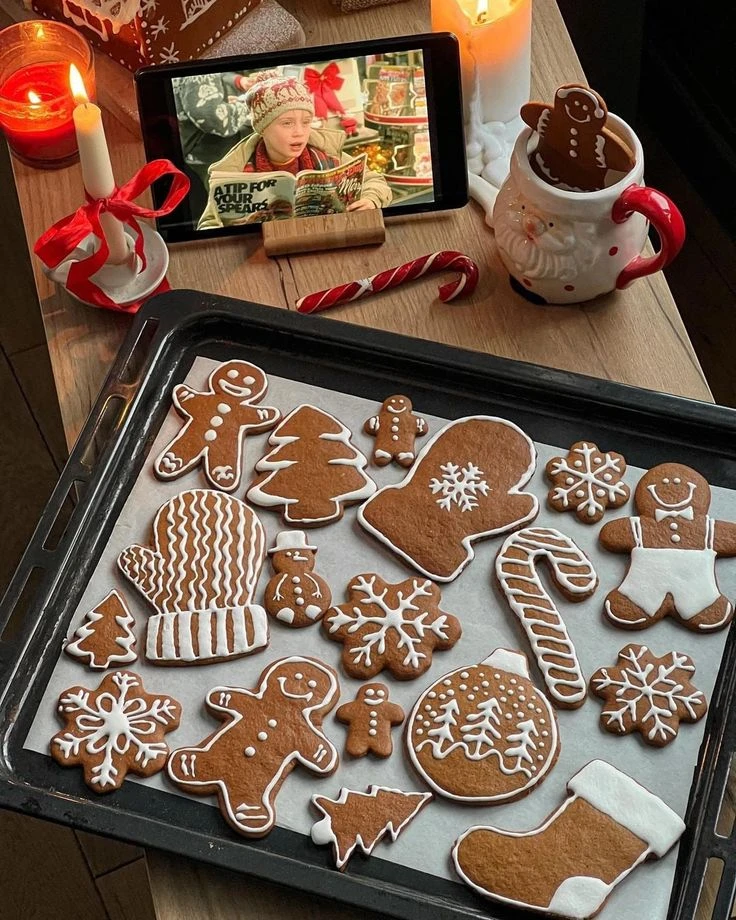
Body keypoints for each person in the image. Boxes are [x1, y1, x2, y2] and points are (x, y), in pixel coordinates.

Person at [197, 76, 391, 229]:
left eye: (306, 122)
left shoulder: (328, 154)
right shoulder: (233, 171)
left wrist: (370, 200)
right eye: (287, 123)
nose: (299, 132)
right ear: (262, 128)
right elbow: (208, 225)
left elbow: (376, 181)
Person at [174, 70, 278, 217]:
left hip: (202, 147)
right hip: (207, 152)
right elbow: (214, 118)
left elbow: (216, 75)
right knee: (230, 207)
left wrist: (239, 81)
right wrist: (250, 105)